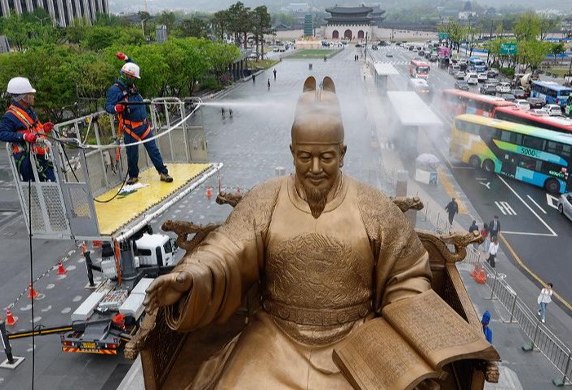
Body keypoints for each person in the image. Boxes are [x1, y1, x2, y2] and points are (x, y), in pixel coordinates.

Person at [144, 76, 434, 389]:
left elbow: (407, 275)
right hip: (275, 336)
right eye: (305, 157)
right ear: (292, 151)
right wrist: (192, 277)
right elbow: (225, 250)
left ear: (343, 152)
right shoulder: (264, 199)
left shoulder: (373, 205)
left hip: (355, 340)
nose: (315, 169)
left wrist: (409, 343)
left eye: (326, 157)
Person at [106, 52, 173, 185]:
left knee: (153, 149)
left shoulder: (131, 85)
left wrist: (126, 58)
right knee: (132, 154)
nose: (135, 80)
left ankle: (163, 172)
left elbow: (132, 66)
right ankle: (133, 175)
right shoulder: (115, 90)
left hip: (144, 125)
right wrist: (116, 109)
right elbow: (108, 106)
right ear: (127, 76)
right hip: (130, 127)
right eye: (133, 77)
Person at [0, 77, 56, 182]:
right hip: (27, 160)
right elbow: (2, 134)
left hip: (41, 156)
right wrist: (23, 136)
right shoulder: (10, 116)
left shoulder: (29, 111)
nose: (33, 97)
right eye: (31, 94)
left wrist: (43, 128)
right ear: (23, 98)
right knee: (38, 190)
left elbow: (33, 130)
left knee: (53, 185)